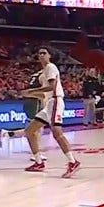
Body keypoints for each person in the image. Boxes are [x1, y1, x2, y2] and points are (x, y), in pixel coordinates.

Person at [20, 48, 80, 178]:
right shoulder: (43, 73)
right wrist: (30, 93)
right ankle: (39, 162)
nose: (41, 55)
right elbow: (44, 93)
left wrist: (31, 91)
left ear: (49, 56)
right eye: (39, 53)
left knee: (57, 132)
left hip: (56, 101)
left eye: (44, 53)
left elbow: (52, 88)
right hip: (49, 104)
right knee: (30, 131)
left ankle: (73, 161)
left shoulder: (50, 67)